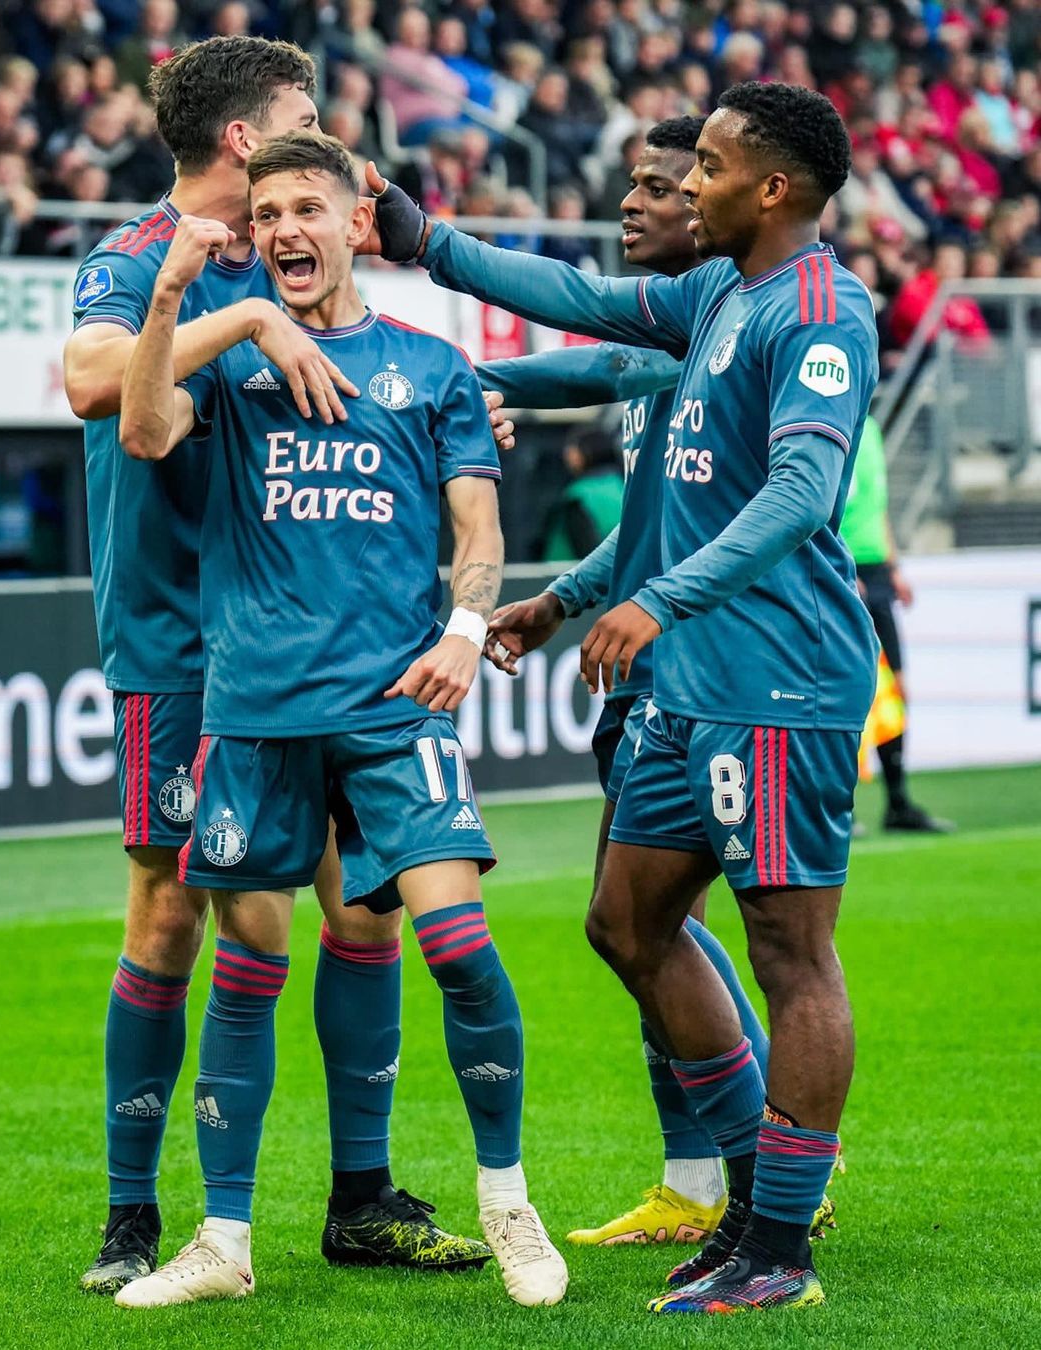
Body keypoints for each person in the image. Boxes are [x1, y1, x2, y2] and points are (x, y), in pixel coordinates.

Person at [362, 80, 879, 1314]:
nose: (688, 183)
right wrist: (426, 240)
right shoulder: (716, 296)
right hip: (687, 686)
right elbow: (585, 306)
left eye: (708, 166)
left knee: (792, 953)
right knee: (627, 924)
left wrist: (660, 597)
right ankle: (748, 1197)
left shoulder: (823, 311)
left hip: (777, 675)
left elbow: (803, 492)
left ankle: (781, 1246)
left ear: (773, 187)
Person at [112, 129, 568, 1311]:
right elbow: (143, 430)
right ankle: (223, 1241)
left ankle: (508, 1202)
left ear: (357, 224)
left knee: (458, 945)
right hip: (256, 714)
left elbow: (478, 528)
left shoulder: (432, 367)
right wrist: (172, 297)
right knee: (247, 966)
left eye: (307, 209)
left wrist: (465, 628)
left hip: (392, 710)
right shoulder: (231, 363)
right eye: (266, 215)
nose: (284, 232)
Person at [63, 35, 485, 1296]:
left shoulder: (288, 245)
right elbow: (92, 381)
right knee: (171, 912)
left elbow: (381, 378)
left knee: (363, 905)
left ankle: (363, 1196)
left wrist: (462, 421)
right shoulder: (140, 258)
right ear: (246, 136)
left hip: (315, 637)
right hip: (182, 641)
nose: (325, 133)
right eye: (305, 112)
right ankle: (133, 1213)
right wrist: (238, 316)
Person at [480, 116, 807, 1250]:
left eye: (667, 184)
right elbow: (650, 524)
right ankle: (705, 1179)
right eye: (639, 182)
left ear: (719, 210)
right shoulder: (680, 334)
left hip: (699, 668)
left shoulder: (718, 330)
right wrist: (565, 597)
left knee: (667, 926)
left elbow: (595, 363)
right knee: (642, 929)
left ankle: (762, 1175)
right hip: (647, 661)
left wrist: (454, 374)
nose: (638, 202)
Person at [840, 414, 953, 833]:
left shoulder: (869, 428)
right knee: (849, 690)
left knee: (895, 689)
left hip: (877, 572)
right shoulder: (829, 418)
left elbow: (878, 505)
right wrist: (839, 568)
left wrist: (893, 566)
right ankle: (839, 805)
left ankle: (898, 803)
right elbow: (816, 504)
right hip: (843, 570)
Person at [541, 426, 624, 562]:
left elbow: (586, 550)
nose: (567, 454)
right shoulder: (622, 486)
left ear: (585, 452)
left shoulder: (578, 496)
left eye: (572, 447)